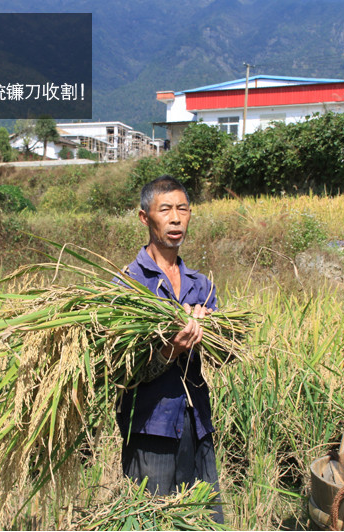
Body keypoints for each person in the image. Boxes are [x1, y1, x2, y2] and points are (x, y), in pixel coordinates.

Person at [116, 175, 223, 523]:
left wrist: (218, 332)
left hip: (196, 424)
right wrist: (171, 351)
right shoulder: (129, 284)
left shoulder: (201, 286)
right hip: (151, 428)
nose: (176, 218)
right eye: (166, 210)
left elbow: (223, 357)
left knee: (203, 521)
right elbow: (122, 372)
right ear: (145, 218)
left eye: (183, 209)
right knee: (152, 521)